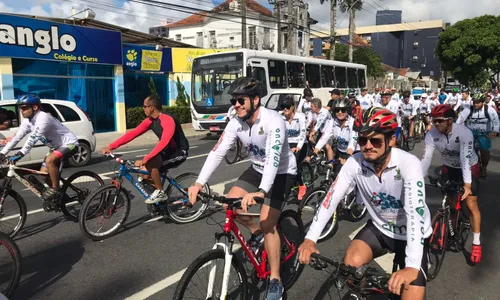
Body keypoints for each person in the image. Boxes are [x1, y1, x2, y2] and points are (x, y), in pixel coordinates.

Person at [299, 107, 432, 300]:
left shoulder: (408, 163)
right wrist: (310, 239)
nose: (368, 146)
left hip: (412, 233)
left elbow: (415, 213)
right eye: (362, 140)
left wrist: (411, 267)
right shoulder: (355, 163)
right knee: (350, 266)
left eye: (375, 140)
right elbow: (330, 199)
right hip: (381, 229)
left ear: (391, 140)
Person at [187, 77, 297, 300]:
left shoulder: (273, 121)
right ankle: (258, 236)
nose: (235, 104)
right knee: (231, 205)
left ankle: (275, 280)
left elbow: (274, 159)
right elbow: (218, 152)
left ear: (256, 100)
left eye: (240, 100)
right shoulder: (236, 122)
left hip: (281, 172)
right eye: (234, 100)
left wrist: (262, 191)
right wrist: (199, 183)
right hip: (257, 169)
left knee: (268, 222)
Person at [421, 104, 483, 264]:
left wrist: (467, 185)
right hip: (449, 167)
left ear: (450, 120)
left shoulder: (464, 133)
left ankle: (476, 243)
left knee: (470, 204)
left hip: (469, 166)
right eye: (434, 121)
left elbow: (465, 159)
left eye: (440, 121)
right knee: (449, 200)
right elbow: (426, 159)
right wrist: (419, 179)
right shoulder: (432, 134)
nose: (436, 124)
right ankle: (451, 224)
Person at [102, 95, 189, 204]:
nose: (143, 109)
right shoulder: (150, 121)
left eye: (144, 106)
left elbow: (164, 141)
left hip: (179, 152)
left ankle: (160, 192)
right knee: (142, 173)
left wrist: (147, 158)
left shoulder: (167, 120)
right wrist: (111, 147)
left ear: (152, 108)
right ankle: (159, 202)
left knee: (150, 164)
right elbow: (132, 134)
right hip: (167, 151)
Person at [0, 94, 79, 201]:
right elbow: (17, 138)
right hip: (55, 148)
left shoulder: (43, 118)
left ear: (35, 107)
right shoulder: (28, 121)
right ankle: (60, 197)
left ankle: (55, 189)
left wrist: (20, 154)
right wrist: (3, 153)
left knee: (50, 160)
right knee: (44, 175)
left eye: (24, 108)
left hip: (69, 144)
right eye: (20, 108)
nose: (21, 111)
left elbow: (33, 138)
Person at [456, 94, 500, 178]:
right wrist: (456, 130)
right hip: (470, 132)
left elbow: (496, 121)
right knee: (464, 150)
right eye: (474, 102)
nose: (475, 104)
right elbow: (460, 120)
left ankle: (483, 168)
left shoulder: (489, 110)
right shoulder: (468, 109)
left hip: (485, 133)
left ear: (482, 102)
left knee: (485, 152)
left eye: (478, 102)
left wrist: (495, 130)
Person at [281, 95, 308, 199]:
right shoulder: (281, 117)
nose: (285, 109)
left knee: (293, 164)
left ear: (293, 107)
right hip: (287, 144)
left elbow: (303, 133)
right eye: (283, 106)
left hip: (300, 144)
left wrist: (298, 147)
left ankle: (301, 185)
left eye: (287, 106)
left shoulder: (300, 116)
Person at [330, 98, 358, 171]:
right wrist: (314, 152)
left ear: (347, 111)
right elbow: (325, 136)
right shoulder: (333, 121)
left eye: (343, 110)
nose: (340, 112)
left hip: (353, 152)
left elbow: (353, 139)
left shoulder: (353, 122)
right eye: (337, 110)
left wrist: (347, 155)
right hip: (340, 152)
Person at [308, 98, 335, 162]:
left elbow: (320, 122)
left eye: (311, 106)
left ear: (316, 107)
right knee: (310, 139)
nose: (310, 107)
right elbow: (309, 121)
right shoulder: (312, 112)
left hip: (329, 131)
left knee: (327, 146)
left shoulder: (325, 112)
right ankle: (319, 155)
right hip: (321, 131)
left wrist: (314, 131)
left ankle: (331, 164)